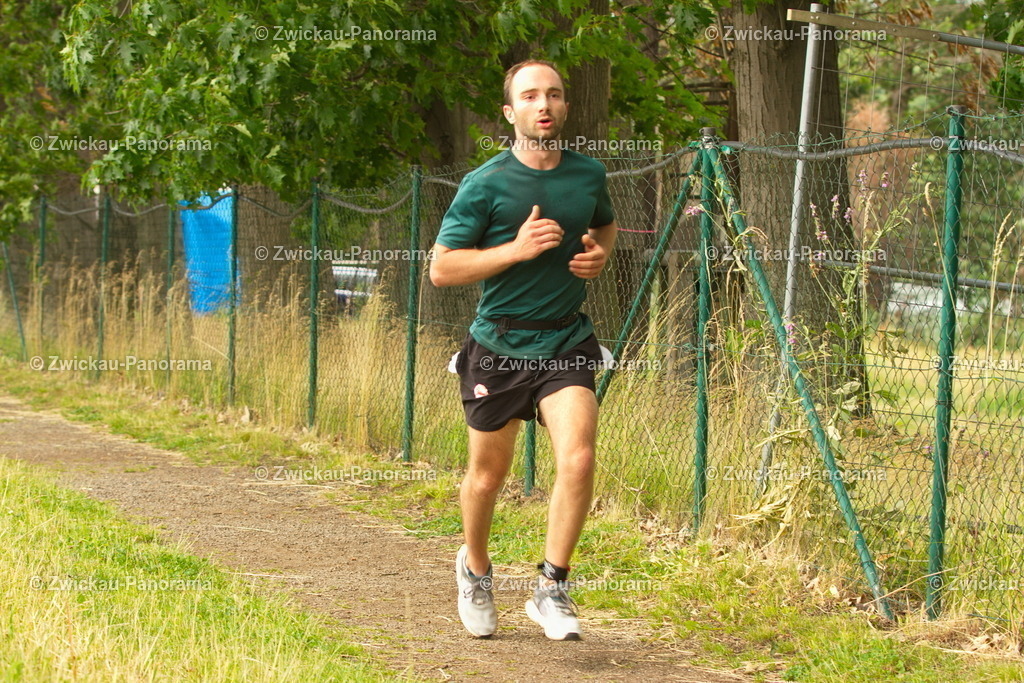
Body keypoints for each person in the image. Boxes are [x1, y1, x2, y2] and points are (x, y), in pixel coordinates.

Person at [429, 59, 618, 641]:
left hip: (566, 337)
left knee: (579, 457)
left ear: (564, 109)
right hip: (500, 343)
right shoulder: (485, 183)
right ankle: (476, 570)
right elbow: (441, 268)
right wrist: (513, 250)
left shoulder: (588, 174)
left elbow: (604, 227)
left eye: (554, 95)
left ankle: (551, 587)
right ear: (511, 113)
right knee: (488, 477)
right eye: (531, 96)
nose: (545, 105)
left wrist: (599, 255)